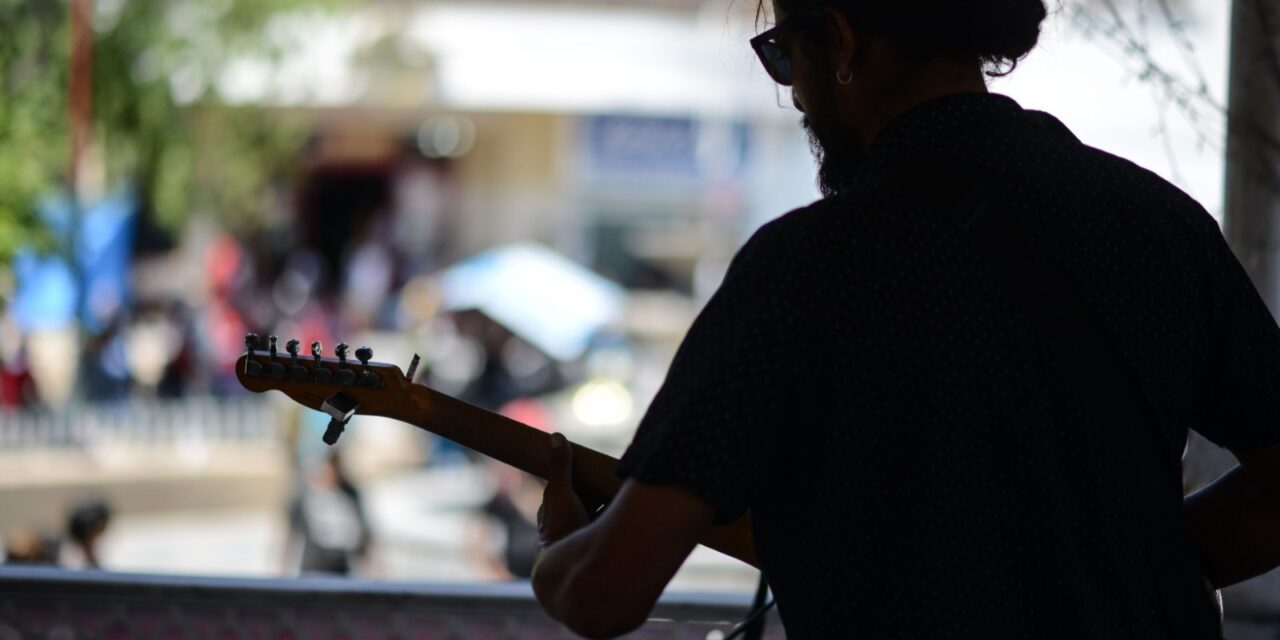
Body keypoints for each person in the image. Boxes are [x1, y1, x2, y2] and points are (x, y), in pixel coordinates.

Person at [530, 1, 1280, 638]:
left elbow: (606, 593)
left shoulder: (806, 268)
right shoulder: (1156, 223)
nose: (795, 98)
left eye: (785, 56)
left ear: (842, 39)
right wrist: (1133, 566)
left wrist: (562, 551)